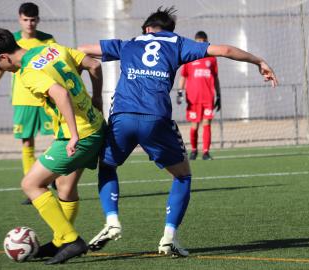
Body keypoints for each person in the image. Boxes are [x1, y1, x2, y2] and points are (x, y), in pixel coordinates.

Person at [78, 6, 278, 257]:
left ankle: (112, 220)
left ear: (147, 29)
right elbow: (225, 50)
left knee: (107, 167)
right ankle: (169, 238)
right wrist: (259, 61)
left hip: (122, 117)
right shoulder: (178, 43)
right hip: (156, 119)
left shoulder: (127, 44)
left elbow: (81, 50)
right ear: (169, 30)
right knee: (182, 176)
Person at [0, 28, 104, 265]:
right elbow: (94, 66)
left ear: (4, 57)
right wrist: (96, 97)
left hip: (80, 135)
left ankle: (70, 240)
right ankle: (60, 241)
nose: (2, 71)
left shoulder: (27, 72)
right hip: (96, 125)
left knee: (30, 183)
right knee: (65, 187)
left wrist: (74, 135)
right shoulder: (52, 47)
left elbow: (60, 94)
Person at [0, 2, 56, 204]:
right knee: (27, 140)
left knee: (57, 138)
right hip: (23, 98)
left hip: (46, 96)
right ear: (19, 19)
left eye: (33, 20)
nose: (30, 24)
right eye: (26, 20)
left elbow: (54, 63)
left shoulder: (47, 40)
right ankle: (30, 184)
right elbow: (0, 66)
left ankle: (55, 175)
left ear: (38, 20)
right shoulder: (12, 41)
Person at [178, 31, 220, 161]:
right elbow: (183, 77)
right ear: (195, 42)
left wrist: (218, 95)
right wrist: (180, 92)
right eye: (198, 42)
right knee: (194, 125)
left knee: (207, 123)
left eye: (203, 41)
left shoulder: (212, 58)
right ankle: (194, 150)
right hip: (193, 98)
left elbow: (215, 77)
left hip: (208, 97)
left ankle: (206, 152)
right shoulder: (189, 57)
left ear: (207, 41)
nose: (201, 44)